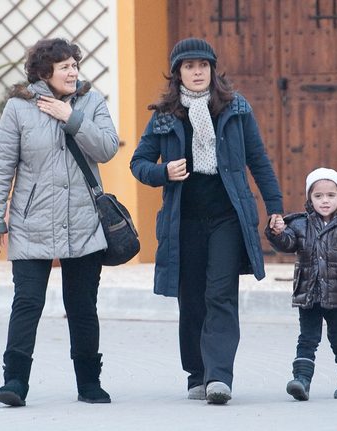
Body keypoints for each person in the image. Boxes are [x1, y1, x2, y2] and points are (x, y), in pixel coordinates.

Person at [130, 37, 283, 404]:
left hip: (227, 217)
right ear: (178, 74)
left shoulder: (236, 109)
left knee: (220, 294)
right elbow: (138, 163)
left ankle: (219, 377)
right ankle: (196, 373)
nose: (197, 72)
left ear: (212, 70)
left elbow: (258, 160)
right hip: (184, 220)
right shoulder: (165, 115)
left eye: (203, 65)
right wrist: (164, 171)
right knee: (192, 298)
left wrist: (275, 206)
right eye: (188, 66)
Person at [0, 38, 119, 406]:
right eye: (65, 67)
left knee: (82, 306)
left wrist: (70, 117)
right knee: (27, 303)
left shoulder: (91, 102)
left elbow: (107, 148)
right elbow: (1, 167)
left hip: (84, 222)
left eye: (76, 64)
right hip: (31, 223)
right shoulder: (18, 108)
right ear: (44, 72)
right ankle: (15, 381)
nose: (74, 71)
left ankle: (89, 383)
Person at [265, 167, 337, 401]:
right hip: (309, 293)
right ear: (310, 198)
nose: (324, 201)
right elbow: (286, 243)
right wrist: (277, 232)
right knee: (307, 338)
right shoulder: (299, 224)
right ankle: (301, 381)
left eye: (330, 195)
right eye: (318, 196)